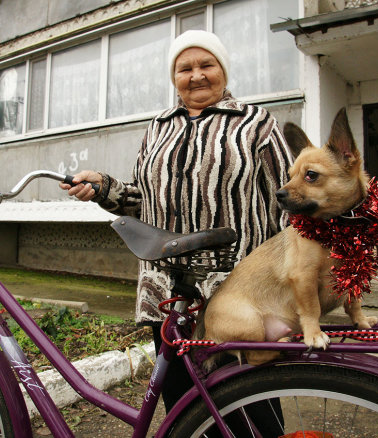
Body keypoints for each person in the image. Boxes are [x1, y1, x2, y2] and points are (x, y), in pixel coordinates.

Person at [61, 30, 292, 435]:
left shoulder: (257, 123)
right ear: (174, 77)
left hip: (237, 289)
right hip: (165, 291)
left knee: (247, 402)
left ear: (223, 70)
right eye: (185, 68)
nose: (196, 75)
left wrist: (289, 279)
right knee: (182, 402)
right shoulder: (158, 127)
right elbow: (142, 200)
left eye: (207, 65)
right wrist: (102, 186)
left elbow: (288, 202)